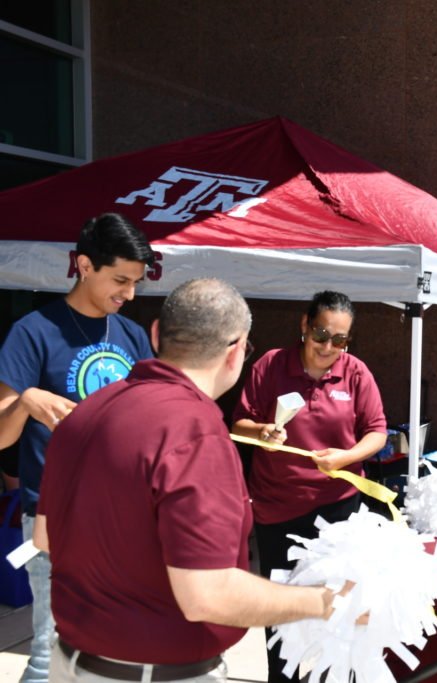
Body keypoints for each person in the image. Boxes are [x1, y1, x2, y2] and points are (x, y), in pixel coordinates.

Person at [35, 278, 351, 682]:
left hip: (71, 663)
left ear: (155, 335)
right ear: (237, 352)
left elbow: (45, 538)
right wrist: (326, 601)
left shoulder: (85, 412)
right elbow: (209, 594)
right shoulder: (197, 432)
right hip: (155, 673)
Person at [0, 213, 154, 683]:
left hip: (121, 518)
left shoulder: (129, 335)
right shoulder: (33, 331)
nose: (129, 295)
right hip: (54, 519)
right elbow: (2, 435)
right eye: (120, 280)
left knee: (110, 650)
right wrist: (25, 401)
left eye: (135, 284)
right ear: (85, 265)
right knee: (50, 655)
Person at [233, 290, 387, 683]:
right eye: (321, 335)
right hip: (277, 509)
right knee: (279, 609)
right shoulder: (270, 365)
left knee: (340, 607)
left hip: (338, 511)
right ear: (304, 326)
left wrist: (347, 456)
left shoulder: (355, 372)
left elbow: (378, 433)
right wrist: (264, 431)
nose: (328, 347)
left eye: (340, 340)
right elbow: (239, 423)